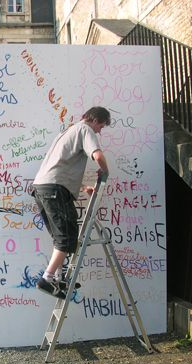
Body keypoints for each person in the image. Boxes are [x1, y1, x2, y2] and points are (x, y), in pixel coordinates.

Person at [32, 106, 111, 298]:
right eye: (101, 125)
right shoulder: (86, 130)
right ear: (95, 120)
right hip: (54, 189)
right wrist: (105, 171)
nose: (100, 130)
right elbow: (98, 155)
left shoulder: (67, 131)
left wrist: (83, 187)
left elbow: (62, 165)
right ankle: (47, 279)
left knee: (61, 238)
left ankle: (59, 280)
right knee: (67, 238)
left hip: (43, 187)